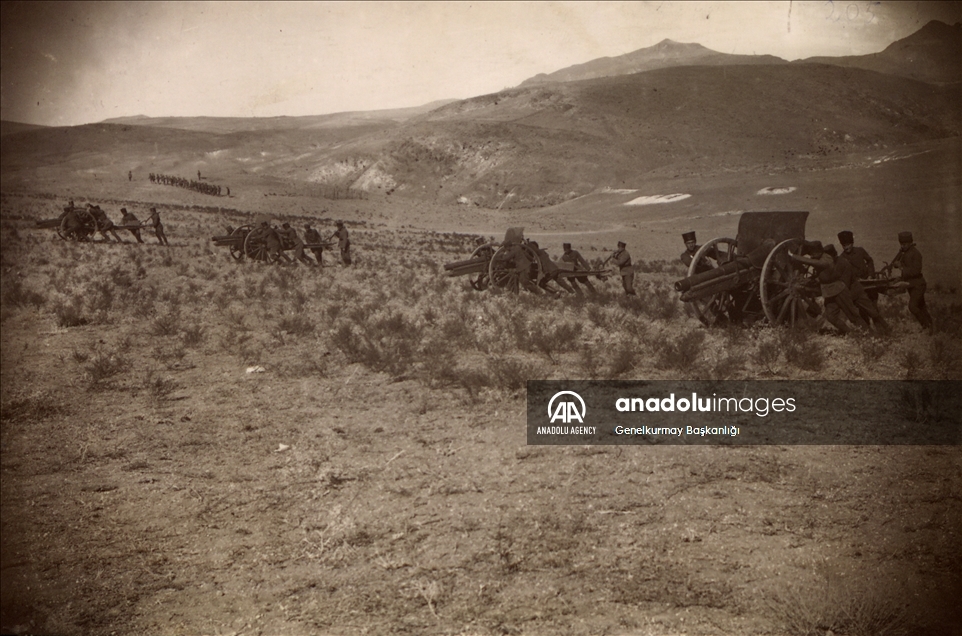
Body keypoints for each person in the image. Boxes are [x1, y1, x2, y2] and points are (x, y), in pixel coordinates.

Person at [792, 241, 868, 334]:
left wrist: (794, 256)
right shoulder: (819, 257)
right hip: (829, 293)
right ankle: (849, 333)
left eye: (813, 254)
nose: (811, 256)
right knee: (831, 316)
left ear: (818, 252)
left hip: (839, 291)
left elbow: (813, 262)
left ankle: (869, 334)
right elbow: (818, 272)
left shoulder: (826, 259)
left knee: (853, 315)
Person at [889, 231, 933, 332]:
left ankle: (926, 326)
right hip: (911, 285)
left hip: (918, 285)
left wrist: (901, 267)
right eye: (901, 244)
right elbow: (900, 265)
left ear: (910, 242)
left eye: (905, 244)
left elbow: (916, 271)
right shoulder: (904, 253)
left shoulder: (916, 254)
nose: (902, 246)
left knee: (912, 307)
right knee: (921, 307)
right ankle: (931, 327)